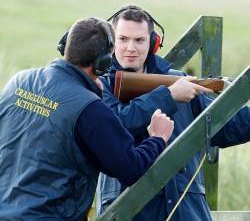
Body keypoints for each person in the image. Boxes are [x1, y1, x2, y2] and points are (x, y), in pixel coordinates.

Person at [0, 17, 175, 220]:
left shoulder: (19, 81)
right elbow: (131, 167)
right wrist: (157, 138)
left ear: (66, 44)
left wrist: (90, 91)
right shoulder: (90, 109)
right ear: (103, 63)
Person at [96, 4, 250, 221]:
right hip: (128, 208)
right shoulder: (100, 84)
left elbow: (223, 125)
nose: (130, 47)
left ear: (152, 43)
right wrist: (168, 95)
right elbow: (115, 124)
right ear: (111, 42)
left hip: (186, 207)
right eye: (123, 39)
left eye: (139, 40)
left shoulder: (179, 80)